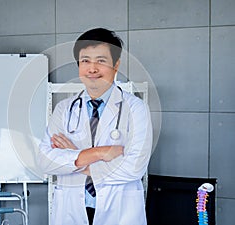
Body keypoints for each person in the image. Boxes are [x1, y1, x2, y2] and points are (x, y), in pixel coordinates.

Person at [37, 28, 153, 225]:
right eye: (85, 61)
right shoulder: (64, 109)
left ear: (116, 66)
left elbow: (135, 167)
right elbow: (45, 161)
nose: (92, 68)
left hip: (119, 212)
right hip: (71, 211)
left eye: (101, 61)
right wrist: (99, 153)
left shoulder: (136, 108)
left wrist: (75, 157)